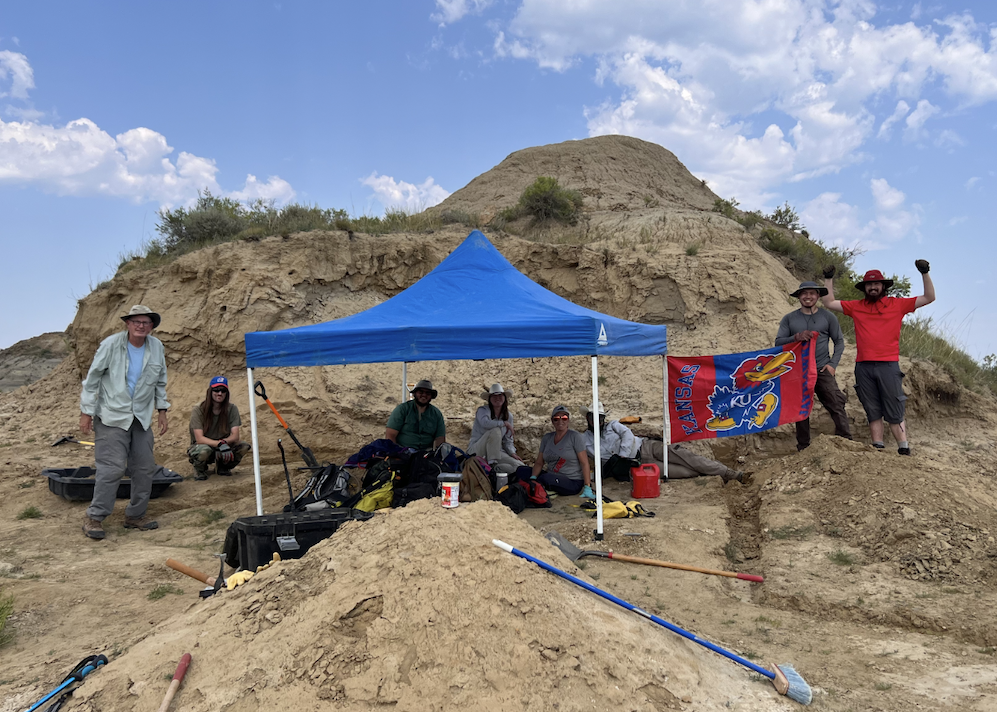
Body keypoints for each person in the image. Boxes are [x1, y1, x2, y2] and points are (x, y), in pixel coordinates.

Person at [821, 261, 935, 455]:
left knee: (894, 405)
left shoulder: (897, 305)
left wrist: (925, 273)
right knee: (872, 407)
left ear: (883, 286)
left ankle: (903, 447)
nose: (873, 287)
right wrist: (828, 278)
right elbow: (829, 302)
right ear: (864, 288)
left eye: (876, 284)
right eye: (869, 285)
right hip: (863, 365)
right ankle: (878, 446)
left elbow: (929, 297)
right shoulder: (856, 307)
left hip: (888, 364)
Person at [79, 305, 169, 540]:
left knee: (144, 467)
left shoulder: (157, 347)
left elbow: (160, 381)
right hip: (111, 416)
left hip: (141, 417)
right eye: (136, 321)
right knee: (112, 468)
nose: (141, 326)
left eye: (146, 322)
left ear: (152, 326)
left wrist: (162, 410)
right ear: (127, 324)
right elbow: (93, 378)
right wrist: (86, 411)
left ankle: (135, 516)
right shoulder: (111, 345)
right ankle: (95, 518)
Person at [775, 281, 852, 451]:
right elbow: (778, 343)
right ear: (799, 297)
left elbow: (839, 341)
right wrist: (796, 337)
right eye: (804, 293)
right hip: (799, 371)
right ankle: (803, 447)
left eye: (812, 293)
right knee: (801, 409)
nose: (808, 296)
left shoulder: (828, 317)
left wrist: (833, 364)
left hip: (822, 368)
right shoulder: (789, 319)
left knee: (836, 403)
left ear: (818, 296)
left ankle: (846, 441)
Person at [583, 402, 743, 484]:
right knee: (685, 473)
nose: (596, 420)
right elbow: (582, 458)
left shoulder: (614, 425)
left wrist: (622, 455)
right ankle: (710, 474)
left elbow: (627, 435)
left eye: (600, 417)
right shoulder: (585, 440)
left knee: (687, 457)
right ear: (588, 418)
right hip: (637, 466)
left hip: (646, 447)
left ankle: (728, 473)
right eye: (593, 417)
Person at [188, 376, 252, 480]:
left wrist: (223, 443)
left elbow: (235, 436)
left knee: (243, 446)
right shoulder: (198, 409)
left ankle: (223, 467)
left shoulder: (232, 409)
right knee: (203, 451)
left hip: (224, 446)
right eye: (216, 390)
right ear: (210, 391)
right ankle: (200, 469)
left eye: (223, 390)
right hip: (203, 445)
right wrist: (220, 444)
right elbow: (199, 439)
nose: (219, 393)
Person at [531, 405, 593, 498]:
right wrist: (533, 477)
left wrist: (587, 486)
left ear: (568, 420)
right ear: (552, 421)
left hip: (572, 480)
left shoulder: (575, 437)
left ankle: (539, 487)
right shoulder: (547, 438)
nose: (560, 421)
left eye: (564, 418)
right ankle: (537, 485)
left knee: (545, 478)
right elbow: (539, 462)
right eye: (556, 418)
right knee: (522, 470)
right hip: (552, 475)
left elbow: (584, 463)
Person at [467, 383, 524, 474]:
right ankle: (491, 464)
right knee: (496, 430)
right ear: (489, 399)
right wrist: (503, 423)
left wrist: (512, 453)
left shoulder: (508, 416)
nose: (497, 398)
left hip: (497, 451)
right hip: (477, 450)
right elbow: (485, 423)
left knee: (519, 466)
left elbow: (508, 440)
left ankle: (496, 469)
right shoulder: (482, 410)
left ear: (504, 397)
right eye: (494, 396)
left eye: (500, 395)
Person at [385, 379, 446, 450]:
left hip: (425, 455)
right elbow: (390, 435)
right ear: (415, 393)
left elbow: (440, 439)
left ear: (431, 396)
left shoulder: (436, 414)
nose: (424, 395)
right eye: (421, 392)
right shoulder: (402, 409)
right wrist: (394, 454)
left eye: (428, 393)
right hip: (402, 453)